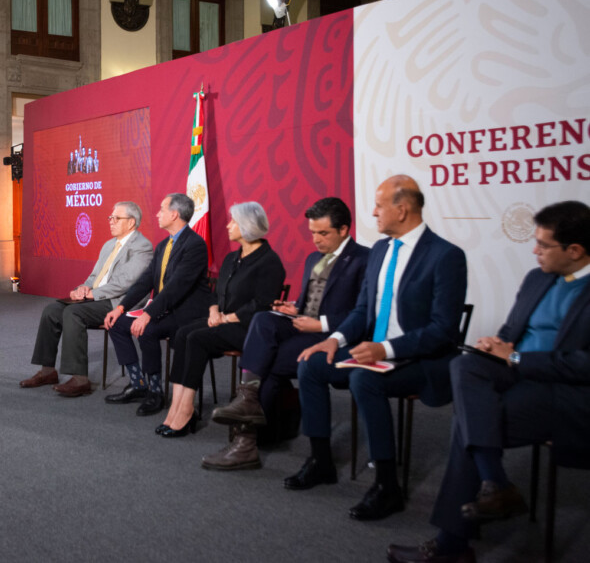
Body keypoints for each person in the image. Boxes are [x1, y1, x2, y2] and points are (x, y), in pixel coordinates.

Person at [387, 201, 590, 563]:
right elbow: (512, 331)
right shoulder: (537, 277)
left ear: (574, 251)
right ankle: (496, 484)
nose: (534, 250)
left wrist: (514, 358)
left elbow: (583, 366)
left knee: (471, 424)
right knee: (465, 366)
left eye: (543, 245)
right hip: (516, 370)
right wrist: (495, 345)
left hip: (566, 392)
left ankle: (453, 545)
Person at [289, 175, 467, 522]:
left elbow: (443, 331)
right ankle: (320, 461)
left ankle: (387, 485)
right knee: (310, 365)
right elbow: (362, 310)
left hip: (420, 358)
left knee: (363, 381)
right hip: (374, 352)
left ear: (401, 210)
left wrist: (385, 349)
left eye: (379, 205)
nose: (372, 212)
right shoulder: (382, 250)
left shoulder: (446, 256)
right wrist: (334, 339)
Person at [202, 197, 369, 469]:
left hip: (334, 337)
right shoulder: (314, 258)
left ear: (344, 230)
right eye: (313, 232)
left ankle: (245, 439)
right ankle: (249, 406)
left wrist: (321, 324)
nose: (316, 240)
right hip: (303, 326)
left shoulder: (365, 259)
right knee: (264, 319)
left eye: (323, 233)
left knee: (264, 364)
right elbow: (310, 301)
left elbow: (364, 312)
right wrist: (293, 307)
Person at [158, 201, 286, 438]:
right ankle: (176, 406)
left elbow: (261, 304)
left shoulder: (269, 262)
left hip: (249, 329)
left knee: (196, 338)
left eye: (233, 222)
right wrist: (214, 311)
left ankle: (186, 409)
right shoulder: (231, 258)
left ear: (247, 225)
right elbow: (213, 293)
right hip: (222, 320)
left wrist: (226, 318)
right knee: (182, 332)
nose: (228, 226)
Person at [19, 201, 153, 396]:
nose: (111, 222)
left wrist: (92, 294)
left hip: (120, 302)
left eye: (116, 218)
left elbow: (126, 282)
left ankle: (80, 379)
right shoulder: (109, 245)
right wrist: (82, 289)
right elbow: (94, 277)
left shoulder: (142, 247)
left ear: (131, 222)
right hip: (97, 297)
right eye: (110, 217)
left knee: (73, 313)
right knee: (52, 310)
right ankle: (48, 371)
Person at [103, 193, 210, 416]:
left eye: (162, 209)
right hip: (165, 308)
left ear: (174, 214)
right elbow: (145, 281)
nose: (157, 213)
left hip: (186, 312)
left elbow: (176, 287)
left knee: (147, 330)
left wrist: (148, 314)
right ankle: (138, 383)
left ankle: (155, 392)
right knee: (117, 323)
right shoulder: (163, 245)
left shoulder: (195, 245)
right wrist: (121, 308)